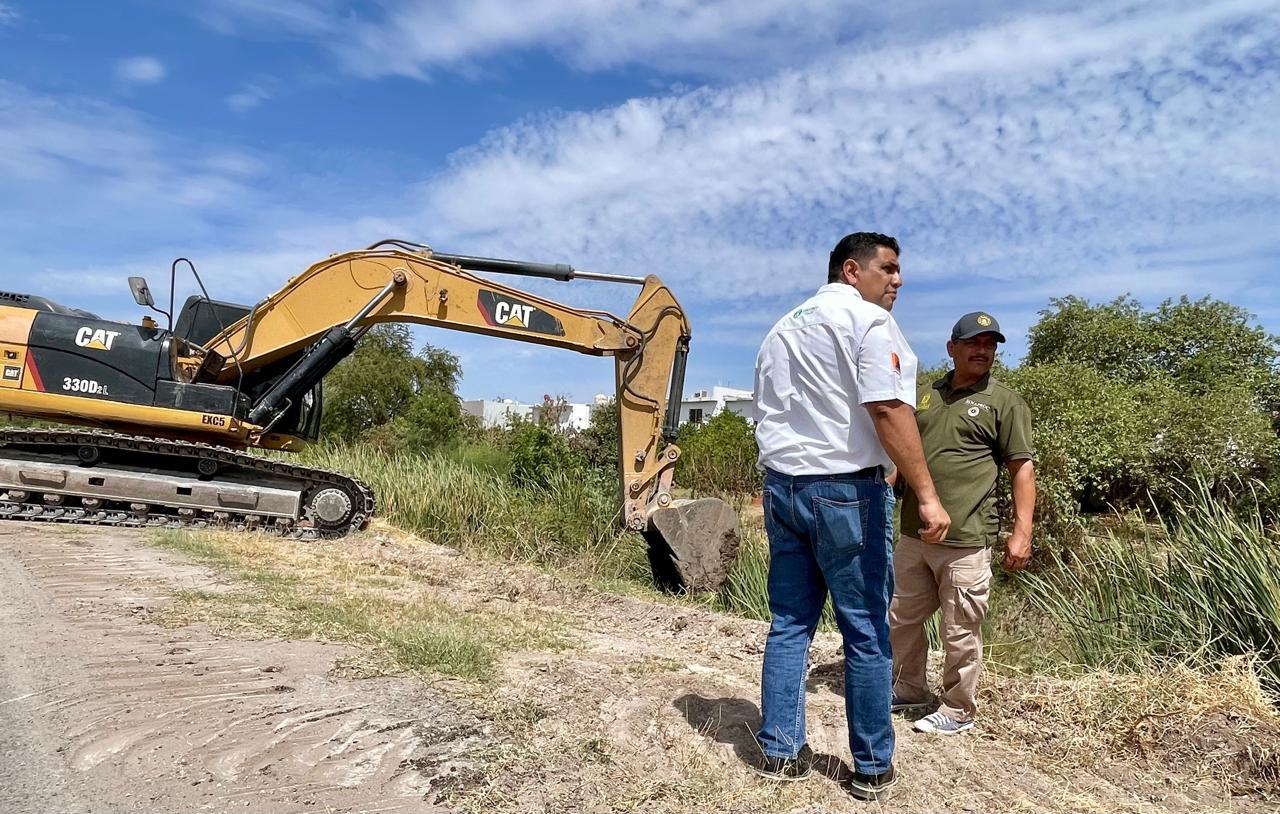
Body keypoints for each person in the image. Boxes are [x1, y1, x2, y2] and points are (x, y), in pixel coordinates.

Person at [752, 232, 951, 802]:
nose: (898, 280)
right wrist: (927, 494)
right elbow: (887, 407)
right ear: (851, 270)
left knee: (790, 623)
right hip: (844, 492)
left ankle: (780, 750)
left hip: (784, 490)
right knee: (864, 630)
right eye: (888, 268)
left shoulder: (780, 330)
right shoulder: (866, 322)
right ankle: (870, 766)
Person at [889, 311, 1036, 736]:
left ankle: (957, 708)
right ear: (952, 348)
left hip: (967, 540)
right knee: (900, 619)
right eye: (974, 342)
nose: (983, 350)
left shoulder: (1004, 402)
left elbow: (1022, 468)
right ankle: (909, 689)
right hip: (913, 534)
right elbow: (904, 449)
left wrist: (1021, 533)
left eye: (990, 344)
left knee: (959, 629)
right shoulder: (925, 395)